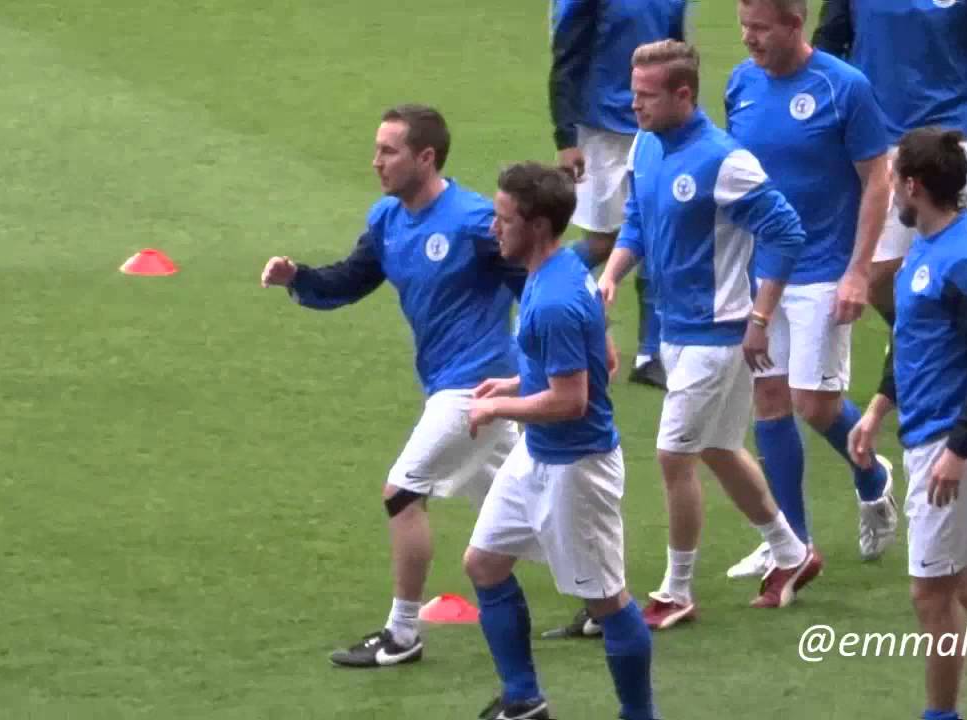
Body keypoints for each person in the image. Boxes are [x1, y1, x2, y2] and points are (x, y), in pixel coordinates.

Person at [259, 104, 525, 669]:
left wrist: (552, 351)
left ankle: (402, 634)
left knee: (403, 491)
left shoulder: (475, 221)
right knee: (534, 506)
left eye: (389, 151)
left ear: (425, 158)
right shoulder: (387, 219)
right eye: (377, 148)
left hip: (476, 389)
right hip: (448, 386)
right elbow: (350, 280)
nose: (376, 161)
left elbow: (538, 274)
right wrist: (298, 277)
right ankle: (609, 605)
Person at [598, 39, 820, 630]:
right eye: (633, 91)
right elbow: (639, 222)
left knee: (675, 455)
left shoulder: (724, 160)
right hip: (677, 329)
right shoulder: (646, 146)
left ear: (684, 94)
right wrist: (613, 275)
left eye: (645, 96)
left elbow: (788, 233)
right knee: (720, 448)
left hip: (719, 337)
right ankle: (792, 552)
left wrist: (761, 315)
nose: (634, 105)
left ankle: (677, 590)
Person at [848, 128, 967, 720]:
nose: (889, 191)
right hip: (932, 434)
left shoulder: (965, 258)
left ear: (913, 186)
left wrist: (958, 450)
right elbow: (914, 340)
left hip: (954, 441)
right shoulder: (929, 248)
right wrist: (880, 407)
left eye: (894, 179)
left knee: (931, 593)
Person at [463, 162, 656, 720]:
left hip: (576, 468)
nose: (493, 229)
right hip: (538, 455)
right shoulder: (559, 270)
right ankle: (523, 699)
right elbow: (581, 366)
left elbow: (571, 400)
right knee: (484, 563)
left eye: (504, 219)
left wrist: (499, 404)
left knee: (607, 602)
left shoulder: (552, 299)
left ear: (539, 225)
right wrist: (514, 382)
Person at [721, 0, 897, 584]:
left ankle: (873, 477)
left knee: (814, 404)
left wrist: (859, 270)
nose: (748, 38)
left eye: (759, 28)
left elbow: (878, 178)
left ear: (795, 25)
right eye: (743, 26)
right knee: (768, 401)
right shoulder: (740, 84)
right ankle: (789, 546)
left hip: (824, 268)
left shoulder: (843, 87)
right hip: (762, 270)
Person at [813, 0, 967, 397]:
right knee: (873, 272)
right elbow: (829, 42)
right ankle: (917, 333)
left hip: (949, 140)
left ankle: (956, 358)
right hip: (873, 136)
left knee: (947, 259)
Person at [549, 0, 689, 390]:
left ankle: (651, 353)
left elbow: (678, 54)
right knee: (602, 243)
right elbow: (567, 55)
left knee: (660, 233)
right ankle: (544, 292)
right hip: (602, 128)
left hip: (658, 125)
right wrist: (566, 136)